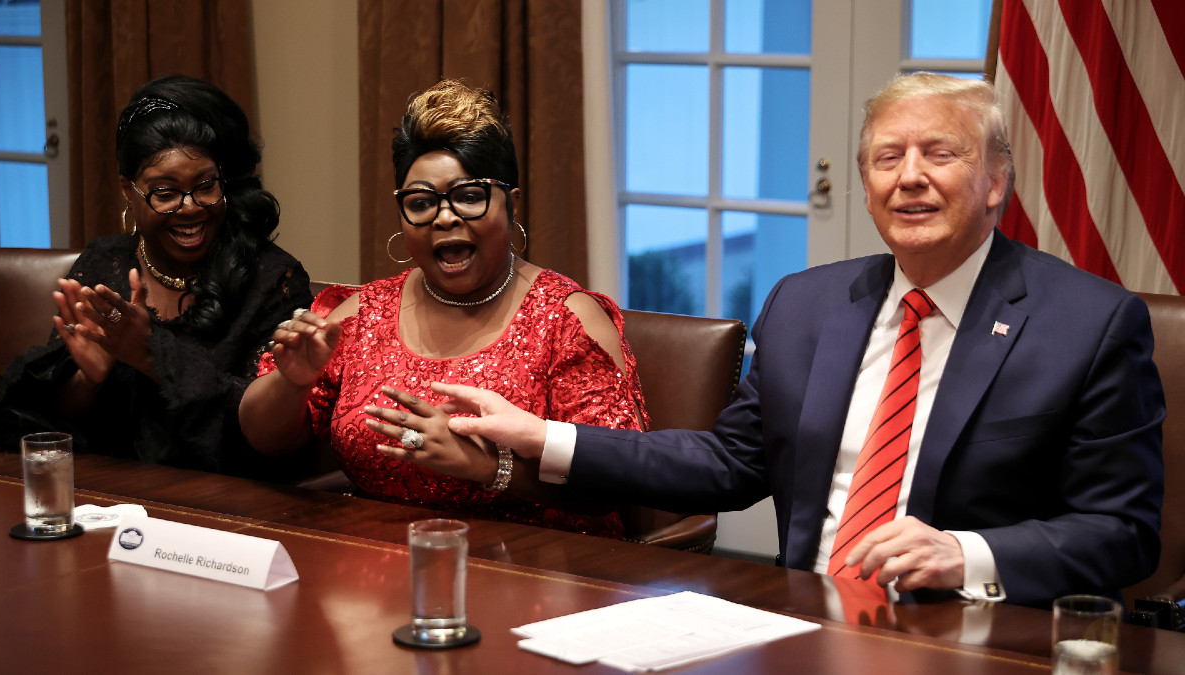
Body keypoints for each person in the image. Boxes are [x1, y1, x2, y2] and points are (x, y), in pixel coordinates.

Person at [399, 73, 1165, 608]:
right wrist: (544, 436)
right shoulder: (807, 304)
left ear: (996, 181)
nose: (910, 178)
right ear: (864, 185)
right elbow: (729, 464)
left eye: (941, 153)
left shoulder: (1090, 325)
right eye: (887, 158)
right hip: (803, 618)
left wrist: (967, 554)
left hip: (971, 631)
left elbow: (1122, 534)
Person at [239, 79, 647, 537]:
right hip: (375, 569)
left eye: (469, 197)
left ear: (511, 205)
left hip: (540, 569)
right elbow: (264, 440)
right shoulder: (360, 313)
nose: (445, 217)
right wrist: (292, 383)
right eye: (421, 203)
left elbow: (618, 478)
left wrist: (484, 465)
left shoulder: (566, 321)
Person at [0, 75, 313, 479]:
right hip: (112, 500)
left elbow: (262, 432)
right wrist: (90, 379)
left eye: (205, 186)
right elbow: (57, 428)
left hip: (226, 505)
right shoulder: (104, 264)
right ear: (129, 191)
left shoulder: (271, 278)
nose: (191, 208)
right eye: (165, 193)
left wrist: (148, 353)